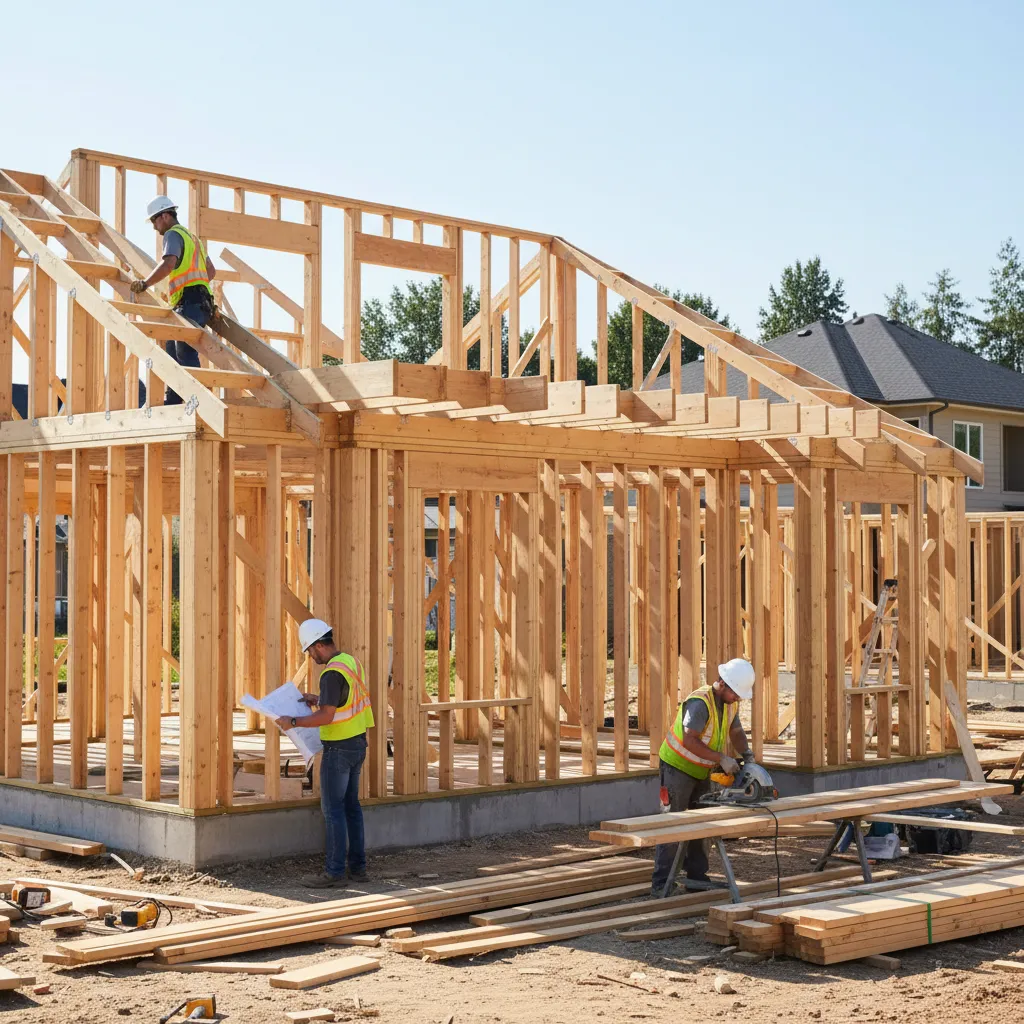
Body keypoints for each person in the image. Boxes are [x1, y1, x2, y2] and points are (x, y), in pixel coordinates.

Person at [276, 618, 374, 888]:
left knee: (333, 810)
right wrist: (318, 699)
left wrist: (292, 722)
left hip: (339, 749)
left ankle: (334, 873)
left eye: (309, 651)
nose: (311, 656)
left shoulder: (330, 673)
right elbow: (345, 702)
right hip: (357, 744)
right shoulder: (350, 662)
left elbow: (328, 716)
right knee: (352, 807)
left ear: (319, 645)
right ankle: (358, 869)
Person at [650, 658, 756, 895]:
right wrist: (721, 758)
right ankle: (661, 884)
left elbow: (736, 731)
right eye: (736, 693)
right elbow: (690, 740)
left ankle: (696, 879)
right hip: (677, 767)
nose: (738, 698)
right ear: (723, 683)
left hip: (701, 769)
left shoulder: (730, 705)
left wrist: (746, 755)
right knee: (672, 824)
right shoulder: (700, 703)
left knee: (702, 823)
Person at [129, 196, 217, 405]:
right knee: (172, 349)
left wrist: (145, 283)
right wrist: (196, 282)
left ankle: (196, 401)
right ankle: (176, 399)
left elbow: (169, 264)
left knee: (185, 351)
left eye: (154, 221)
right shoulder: (192, 238)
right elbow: (210, 271)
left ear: (165, 215)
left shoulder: (173, 234)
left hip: (189, 301)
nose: (154, 227)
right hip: (202, 302)